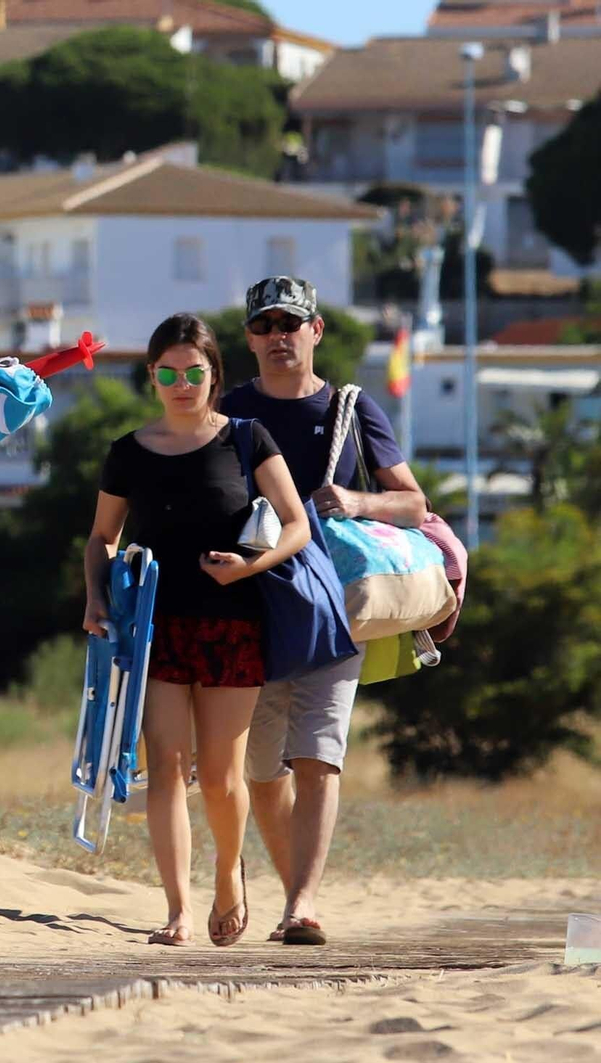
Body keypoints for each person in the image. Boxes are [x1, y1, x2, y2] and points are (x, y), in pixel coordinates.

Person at [85, 313, 310, 947]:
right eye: (168, 373)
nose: (181, 384)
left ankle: (227, 876)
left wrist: (249, 567)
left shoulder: (246, 438)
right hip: (153, 629)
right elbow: (102, 538)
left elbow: (295, 524)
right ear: (151, 376)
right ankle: (178, 910)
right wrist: (96, 598)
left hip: (233, 624)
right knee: (166, 769)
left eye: (194, 372)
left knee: (220, 777)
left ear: (214, 375)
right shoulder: (128, 451)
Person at [219, 277, 428, 945]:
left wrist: (358, 501)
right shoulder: (227, 411)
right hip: (248, 609)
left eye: (292, 323)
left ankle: (302, 903)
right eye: (265, 325)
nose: (279, 335)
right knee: (259, 771)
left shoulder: (349, 407)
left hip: (332, 608)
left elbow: (413, 504)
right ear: (250, 337)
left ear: (317, 331)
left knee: (318, 755)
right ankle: (287, 886)